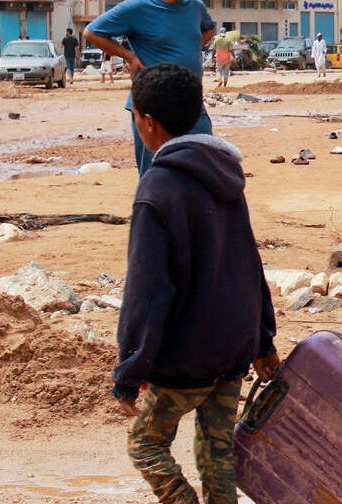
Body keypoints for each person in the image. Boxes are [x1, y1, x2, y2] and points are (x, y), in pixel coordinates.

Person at [113, 62, 280, 504]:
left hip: (186, 357)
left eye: (134, 117)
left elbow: (147, 291)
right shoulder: (226, 175)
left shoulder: (158, 186)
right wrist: (263, 340)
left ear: (148, 123)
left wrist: (130, 368)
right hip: (233, 347)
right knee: (216, 455)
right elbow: (249, 262)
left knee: (145, 443)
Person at [85, 0, 217, 175]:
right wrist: (129, 57)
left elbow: (209, 29)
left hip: (191, 102)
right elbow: (92, 32)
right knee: (157, 172)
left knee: (205, 168)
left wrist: (190, 48)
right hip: (154, 107)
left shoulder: (196, 6)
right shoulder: (136, 7)